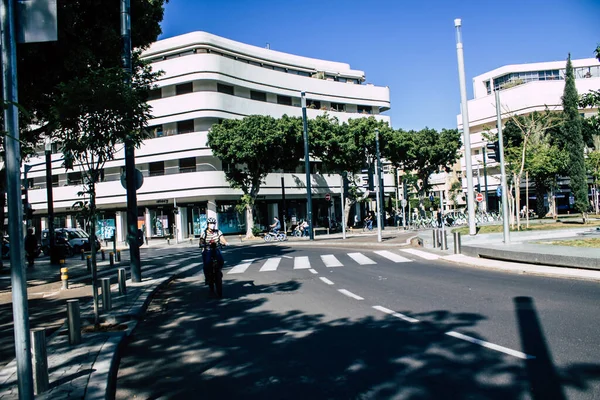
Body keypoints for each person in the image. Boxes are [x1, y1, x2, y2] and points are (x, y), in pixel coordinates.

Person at [199, 217, 228, 291]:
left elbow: (222, 238)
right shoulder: (204, 233)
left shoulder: (218, 232)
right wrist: (202, 245)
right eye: (211, 223)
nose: (213, 225)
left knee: (221, 260)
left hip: (216, 249)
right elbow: (201, 242)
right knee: (206, 264)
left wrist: (225, 243)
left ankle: (218, 271)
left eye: (214, 224)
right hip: (207, 250)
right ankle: (207, 278)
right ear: (208, 225)